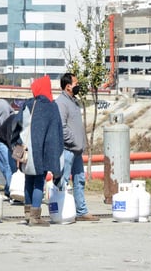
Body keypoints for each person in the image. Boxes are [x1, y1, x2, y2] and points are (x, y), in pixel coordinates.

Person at [12, 75, 64, 226]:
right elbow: (56, 132)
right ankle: (36, 216)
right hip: (43, 151)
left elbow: (16, 124)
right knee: (39, 181)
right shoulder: (52, 107)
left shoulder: (28, 104)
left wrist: (16, 144)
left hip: (26, 150)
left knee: (28, 180)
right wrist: (54, 155)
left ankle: (28, 214)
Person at [55, 73, 100, 221]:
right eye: (76, 83)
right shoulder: (61, 103)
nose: (78, 86)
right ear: (68, 86)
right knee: (64, 181)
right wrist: (73, 141)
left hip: (77, 150)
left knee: (80, 180)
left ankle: (81, 211)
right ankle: (61, 210)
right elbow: (62, 127)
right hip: (67, 149)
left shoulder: (74, 102)